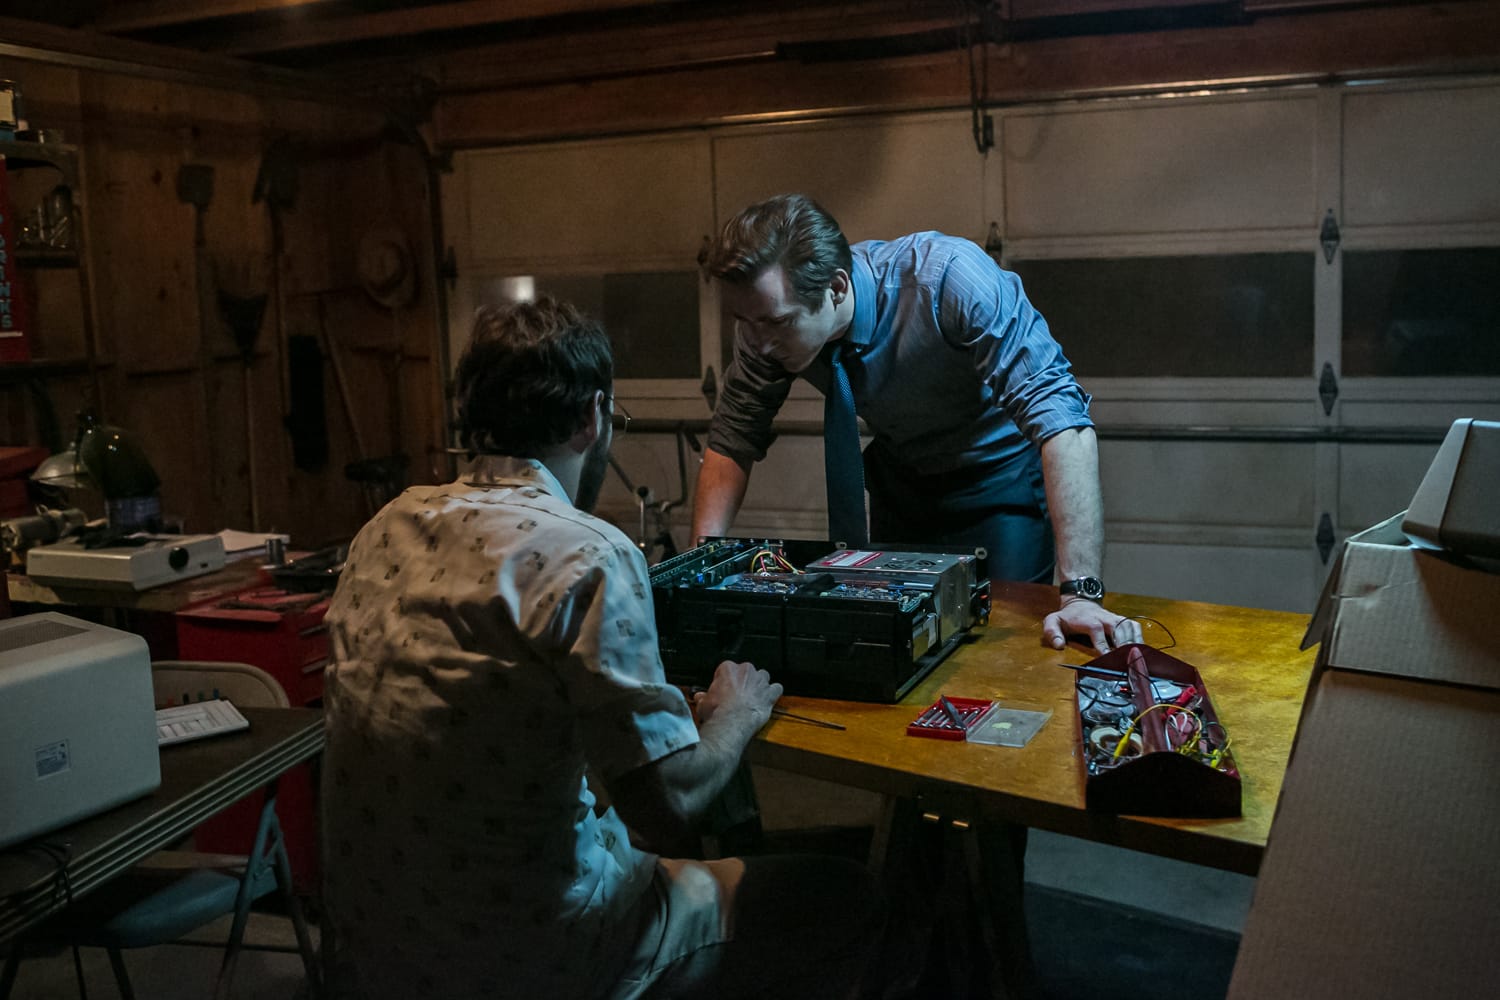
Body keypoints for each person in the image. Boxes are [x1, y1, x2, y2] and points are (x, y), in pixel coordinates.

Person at [320, 297, 883, 1000]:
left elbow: (482, 704)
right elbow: (667, 808)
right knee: (844, 895)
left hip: (374, 953)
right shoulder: (586, 552)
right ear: (591, 416)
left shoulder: (385, 525)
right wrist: (736, 713)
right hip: (535, 959)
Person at [693, 193, 1141, 654]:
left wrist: (1080, 595)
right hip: (903, 487)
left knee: (998, 647)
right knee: (896, 644)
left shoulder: (948, 279)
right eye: (745, 322)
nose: (759, 344)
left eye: (776, 323)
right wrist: (693, 575)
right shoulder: (763, 329)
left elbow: (1062, 421)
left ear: (838, 288)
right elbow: (732, 440)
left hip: (999, 486)